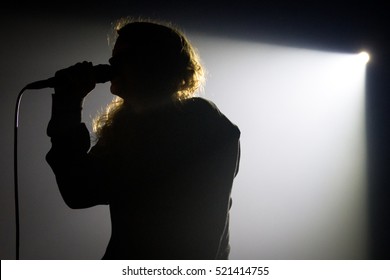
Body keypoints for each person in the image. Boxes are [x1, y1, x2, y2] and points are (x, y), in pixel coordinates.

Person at [46, 18, 240, 260]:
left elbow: (86, 187)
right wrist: (68, 107)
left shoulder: (197, 122)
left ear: (155, 64)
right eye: (113, 58)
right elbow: (77, 190)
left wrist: (68, 107)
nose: (112, 64)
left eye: (124, 57)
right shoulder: (127, 126)